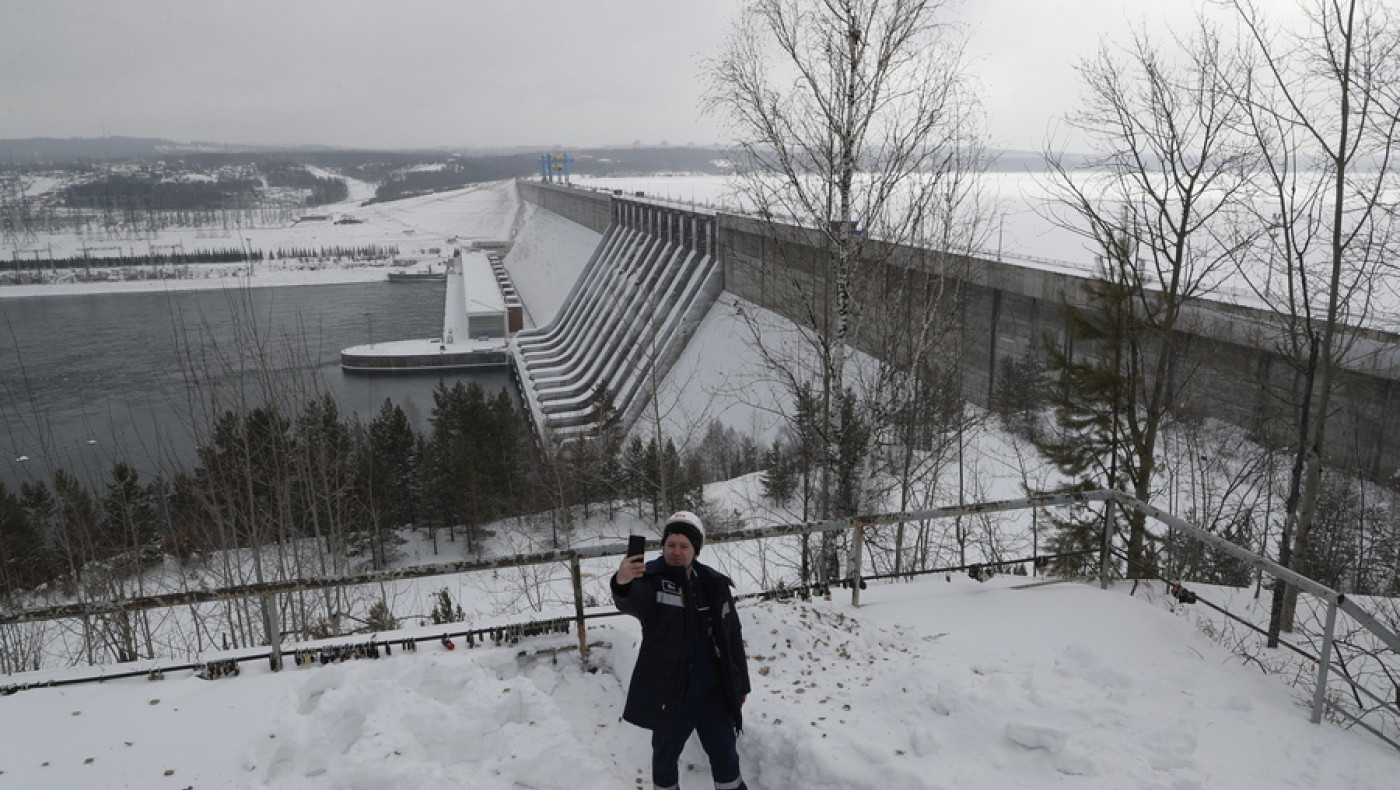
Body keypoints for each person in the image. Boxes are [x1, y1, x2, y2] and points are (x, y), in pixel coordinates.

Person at [612, 511, 751, 790]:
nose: (676, 551)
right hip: (671, 695)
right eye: (671, 545)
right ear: (663, 547)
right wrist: (623, 581)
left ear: (695, 551)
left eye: (684, 546)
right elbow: (631, 601)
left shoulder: (714, 584)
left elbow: (732, 637)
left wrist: (741, 684)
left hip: (713, 693)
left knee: (726, 758)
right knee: (664, 761)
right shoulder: (651, 580)